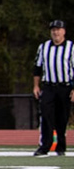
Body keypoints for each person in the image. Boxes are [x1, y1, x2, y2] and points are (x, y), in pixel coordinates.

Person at [33, 18, 71, 157]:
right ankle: (45, 146)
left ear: (64, 31)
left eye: (58, 29)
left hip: (65, 86)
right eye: (53, 30)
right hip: (48, 86)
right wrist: (36, 86)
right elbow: (37, 68)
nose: (55, 32)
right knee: (46, 115)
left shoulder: (71, 48)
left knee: (62, 117)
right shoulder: (43, 47)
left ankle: (60, 147)